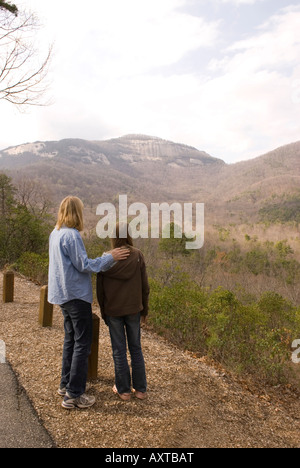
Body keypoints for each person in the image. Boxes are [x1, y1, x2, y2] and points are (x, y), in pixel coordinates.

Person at [48, 196, 130, 410]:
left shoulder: (55, 233)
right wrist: (110, 257)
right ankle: (74, 395)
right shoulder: (71, 235)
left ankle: (65, 385)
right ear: (77, 212)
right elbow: (85, 265)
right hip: (75, 296)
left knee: (71, 340)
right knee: (82, 343)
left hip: (62, 296)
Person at [97, 223, 150, 401]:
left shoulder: (106, 259)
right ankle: (141, 389)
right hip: (134, 309)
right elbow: (145, 286)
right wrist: (145, 310)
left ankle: (124, 390)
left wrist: (104, 312)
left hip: (113, 311)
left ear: (113, 237)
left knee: (118, 350)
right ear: (128, 235)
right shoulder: (137, 255)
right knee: (136, 348)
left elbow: (100, 291)